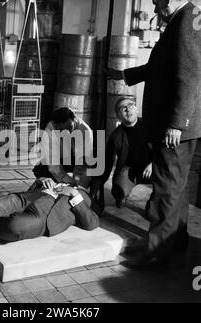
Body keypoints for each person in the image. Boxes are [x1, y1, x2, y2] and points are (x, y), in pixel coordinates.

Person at [106, 0, 201, 267]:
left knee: (166, 189)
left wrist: (176, 124)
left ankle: (156, 253)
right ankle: (176, 240)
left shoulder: (187, 20)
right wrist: (123, 74)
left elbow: (190, 76)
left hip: (175, 127)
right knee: (177, 188)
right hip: (179, 125)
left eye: (159, 3)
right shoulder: (183, 20)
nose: (157, 10)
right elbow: (158, 69)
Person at [91, 97, 152, 209]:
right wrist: (96, 189)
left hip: (149, 167)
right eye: (123, 108)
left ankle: (153, 204)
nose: (128, 110)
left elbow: (162, 150)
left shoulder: (149, 127)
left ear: (137, 110)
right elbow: (107, 163)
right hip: (128, 168)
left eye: (130, 106)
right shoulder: (116, 136)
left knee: (164, 178)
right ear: (118, 116)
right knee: (120, 189)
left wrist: (153, 164)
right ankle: (121, 196)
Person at [33, 107, 94, 187]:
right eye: (62, 129)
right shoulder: (51, 129)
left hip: (77, 160)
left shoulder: (86, 131)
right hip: (61, 159)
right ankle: (52, 190)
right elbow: (52, 160)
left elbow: (84, 160)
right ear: (56, 125)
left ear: (75, 119)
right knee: (40, 170)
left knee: (92, 170)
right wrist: (64, 178)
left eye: (69, 127)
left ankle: (88, 194)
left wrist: (77, 181)